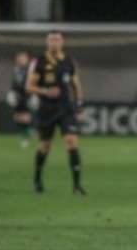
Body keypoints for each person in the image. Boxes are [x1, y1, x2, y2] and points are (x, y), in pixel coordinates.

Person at [26, 31, 85, 195]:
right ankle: (37, 180)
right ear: (47, 42)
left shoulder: (68, 61)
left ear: (62, 42)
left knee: (72, 141)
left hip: (66, 108)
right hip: (46, 110)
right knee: (45, 146)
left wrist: (79, 105)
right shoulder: (39, 61)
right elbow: (29, 86)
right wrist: (45, 91)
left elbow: (76, 85)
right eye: (51, 39)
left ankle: (77, 185)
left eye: (57, 39)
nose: (54, 42)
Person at [7, 51, 34, 147]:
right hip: (17, 95)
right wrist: (12, 91)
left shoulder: (29, 70)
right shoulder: (16, 69)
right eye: (19, 58)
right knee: (17, 117)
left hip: (26, 94)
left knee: (26, 117)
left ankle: (26, 138)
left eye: (23, 58)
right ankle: (28, 132)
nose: (21, 60)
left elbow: (31, 82)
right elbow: (14, 82)